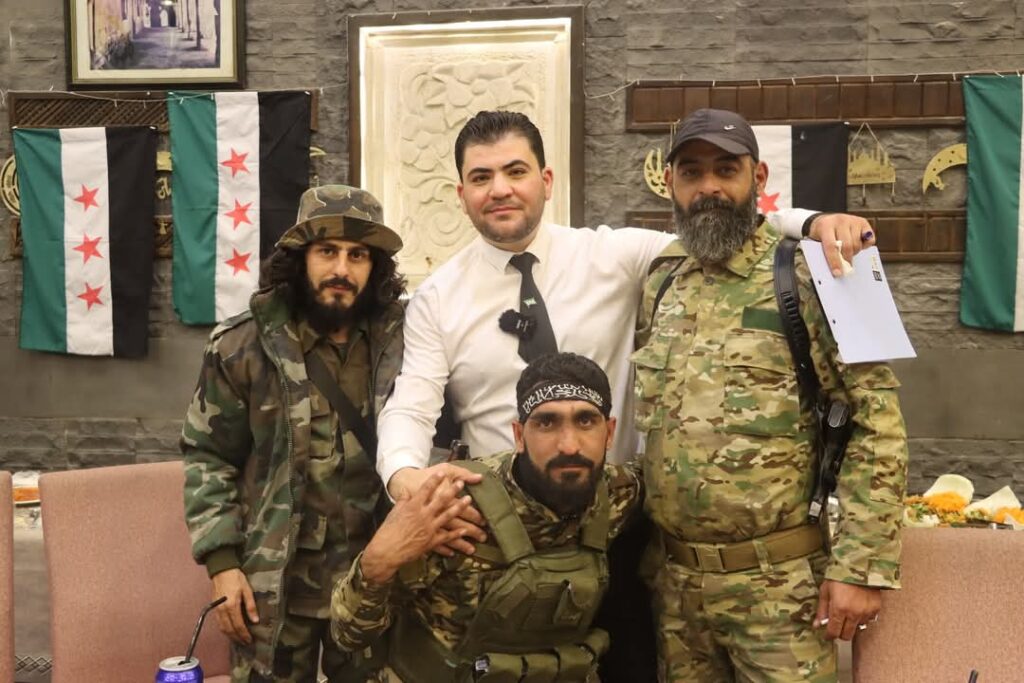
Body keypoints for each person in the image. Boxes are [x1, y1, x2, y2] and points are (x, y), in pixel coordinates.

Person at [373, 110, 878, 681]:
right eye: (481, 177)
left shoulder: (616, 256)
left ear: (546, 180)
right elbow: (410, 403)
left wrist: (813, 222)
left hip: (618, 532)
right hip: (505, 542)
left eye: (515, 171)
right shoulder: (438, 298)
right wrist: (405, 478)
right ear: (461, 194)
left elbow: (716, 217)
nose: (500, 190)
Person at [632, 108, 908, 682]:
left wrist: (861, 566)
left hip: (780, 595)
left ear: (757, 179)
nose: (708, 187)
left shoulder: (819, 273)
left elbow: (876, 422)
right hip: (677, 593)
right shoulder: (662, 280)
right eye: (691, 172)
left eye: (725, 169)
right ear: (671, 184)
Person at [181, 185, 409, 682]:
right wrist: (222, 564)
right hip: (276, 586)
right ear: (300, 257)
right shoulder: (242, 346)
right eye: (327, 251)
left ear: (375, 267)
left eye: (357, 255)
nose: (341, 269)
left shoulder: (406, 342)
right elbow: (208, 457)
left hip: (377, 580)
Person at [332, 352, 644, 682]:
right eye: (546, 423)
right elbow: (348, 636)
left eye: (585, 421)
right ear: (519, 436)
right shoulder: (454, 507)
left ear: (610, 432)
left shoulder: (620, 494)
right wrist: (378, 562)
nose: (568, 445)